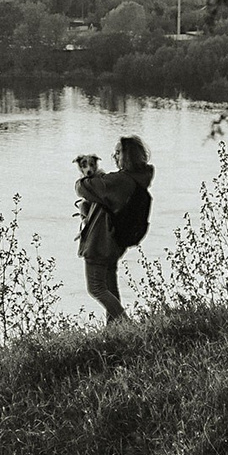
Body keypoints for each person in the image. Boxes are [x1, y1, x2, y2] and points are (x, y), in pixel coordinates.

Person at [76, 135, 153, 326]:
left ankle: (127, 325)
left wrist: (81, 184)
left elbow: (84, 187)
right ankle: (114, 332)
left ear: (127, 156)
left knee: (96, 288)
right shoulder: (138, 179)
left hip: (100, 241)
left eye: (118, 152)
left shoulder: (121, 181)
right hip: (114, 242)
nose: (114, 156)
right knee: (110, 286)